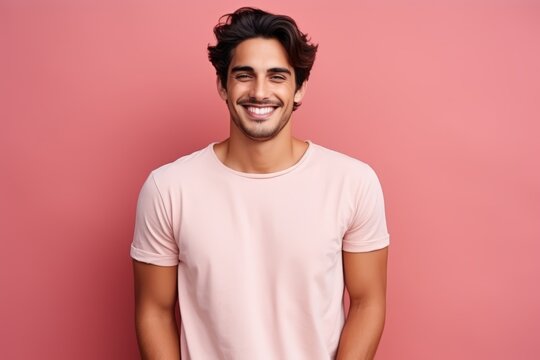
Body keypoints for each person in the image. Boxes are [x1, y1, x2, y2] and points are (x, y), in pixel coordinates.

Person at [130, 7, 390, 360]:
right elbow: (154, 312)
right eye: (244, 75)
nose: (260, 91)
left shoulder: (353, 183)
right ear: (222, 85)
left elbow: (367, 303)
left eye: (277, 76)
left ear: (300, 89)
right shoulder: (168, 189)